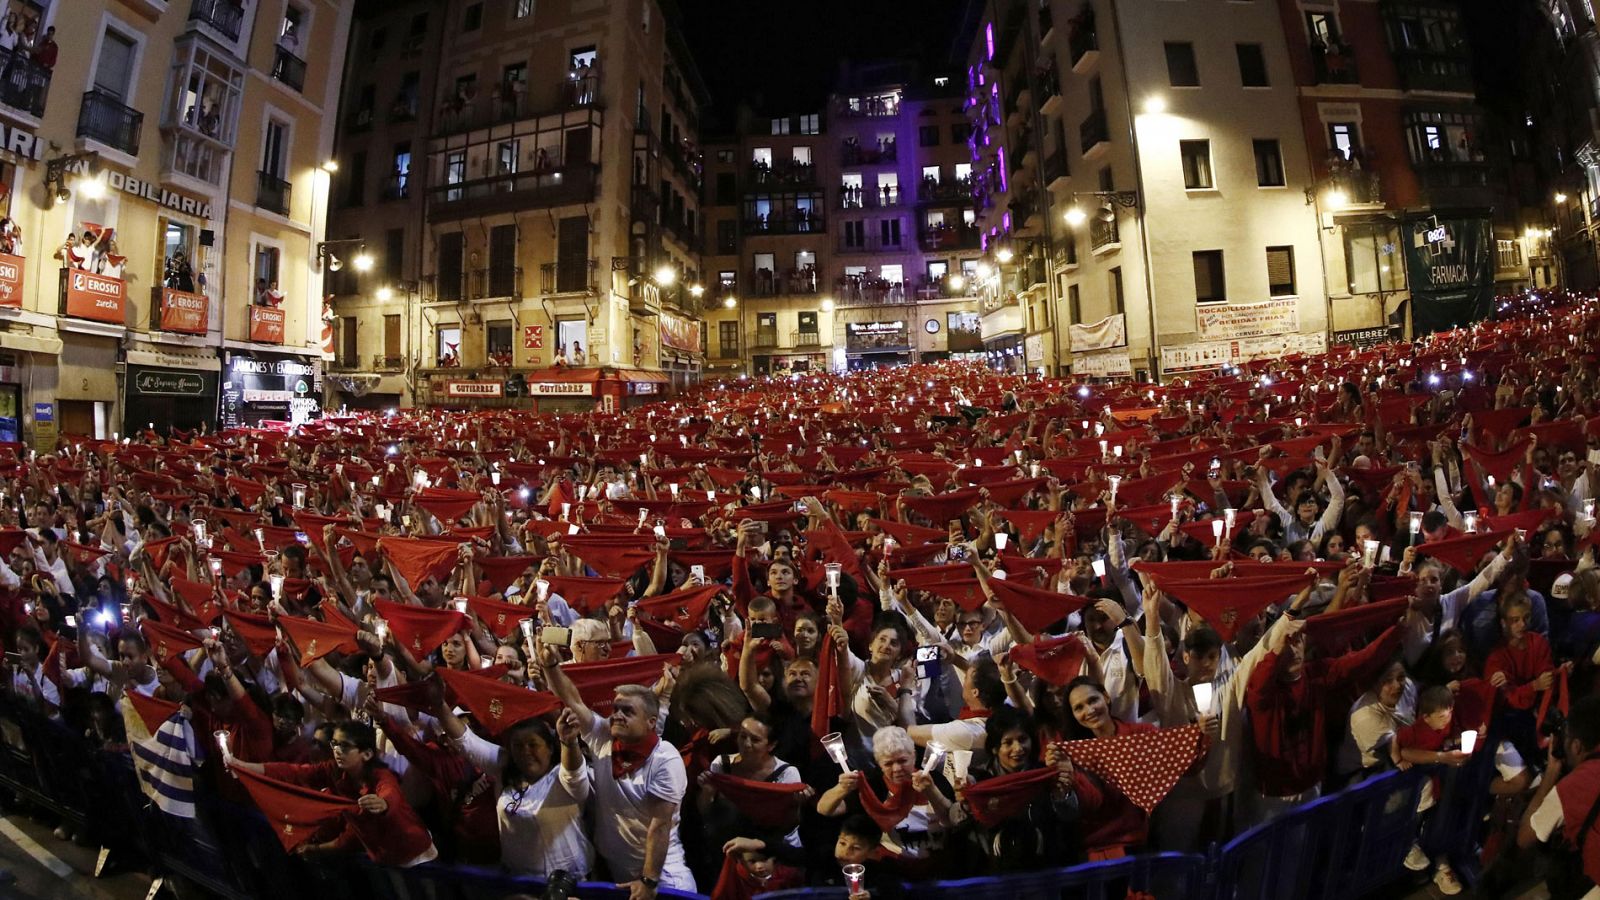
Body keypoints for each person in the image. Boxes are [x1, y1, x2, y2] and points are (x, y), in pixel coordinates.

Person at [538, 638, 696, 896]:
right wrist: (551, 665)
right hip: (618, 869)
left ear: (651, 722)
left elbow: (660, 824)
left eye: (627, 711)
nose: (617, 715)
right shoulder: (603, 736)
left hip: (663, 875)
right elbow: (572, 699)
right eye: (615, 709)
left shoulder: (665, 759)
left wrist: (649, 881)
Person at [227, 721, 438, 867]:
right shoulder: (333, 770)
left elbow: (390, 793)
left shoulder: (380, 776)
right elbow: (291, 772)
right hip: (383, 858)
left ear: (366, 753)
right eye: (335, 744)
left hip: (416, 858)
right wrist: (243, 767)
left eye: (345, 746)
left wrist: (383, 805)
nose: (337, 750)